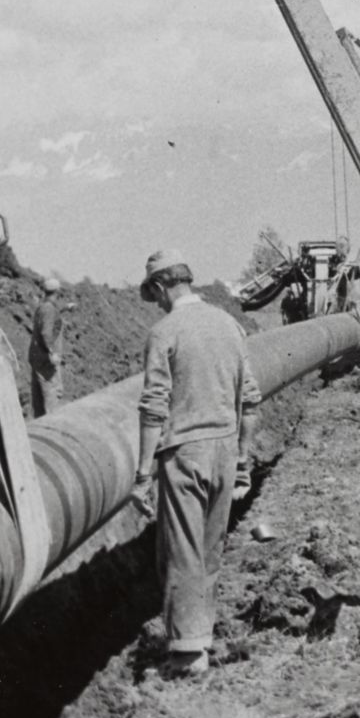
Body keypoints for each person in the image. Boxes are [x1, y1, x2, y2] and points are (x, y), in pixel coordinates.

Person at [131, 248, 261, 675]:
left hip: (185, 453)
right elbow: (250, 401)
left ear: (161, 286)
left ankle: (188, 655)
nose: (157, 302)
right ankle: (201, 639)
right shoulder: (228, 324)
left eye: (154, 294)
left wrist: (142, 473)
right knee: (209, 549)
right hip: (225, 447)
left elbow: (153, 408)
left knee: (181, 551)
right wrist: (243, 459)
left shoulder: (164, 332)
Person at [27, 274, 67, 416]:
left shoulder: (43, 307)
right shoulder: (49, 310)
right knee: (52, 401)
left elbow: (48, 319)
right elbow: (45, 333)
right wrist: (52, 353)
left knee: (39, 403)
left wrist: (64, 309)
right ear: (58, 292)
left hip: (38, 359)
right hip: (47, 363)